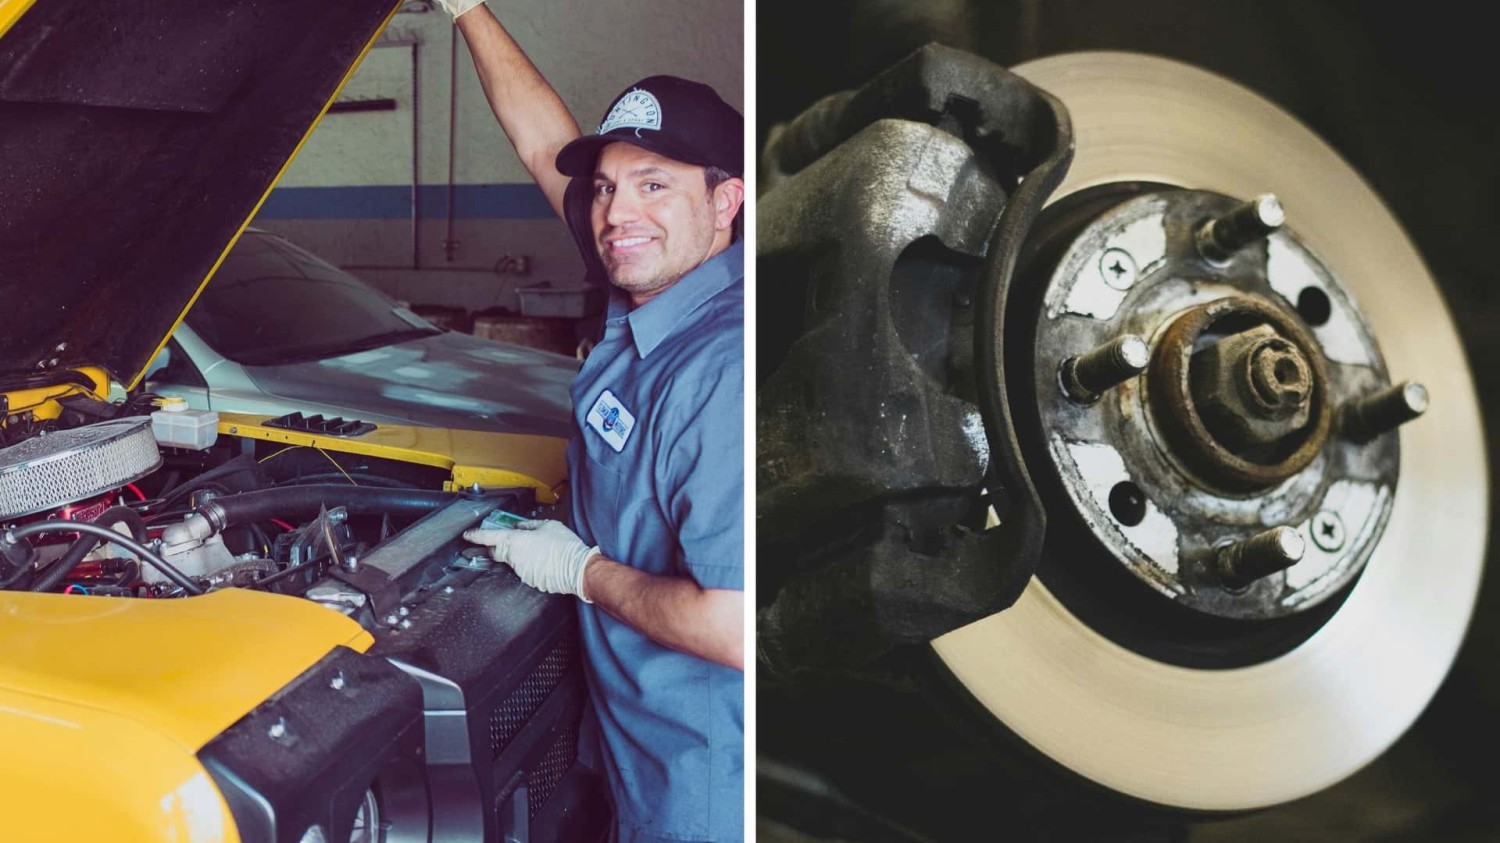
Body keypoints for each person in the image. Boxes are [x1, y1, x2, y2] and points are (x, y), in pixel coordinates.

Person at [440, 3, 746, 841]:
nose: (616, 214)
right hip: (631, 754)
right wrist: (466, 10)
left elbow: (734, 623)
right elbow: (545, 144)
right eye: (608, 187)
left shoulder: (721, 370)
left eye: (655, 184)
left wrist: (580, 570)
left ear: (726, 200)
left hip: (701, 789)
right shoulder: (654, 285)